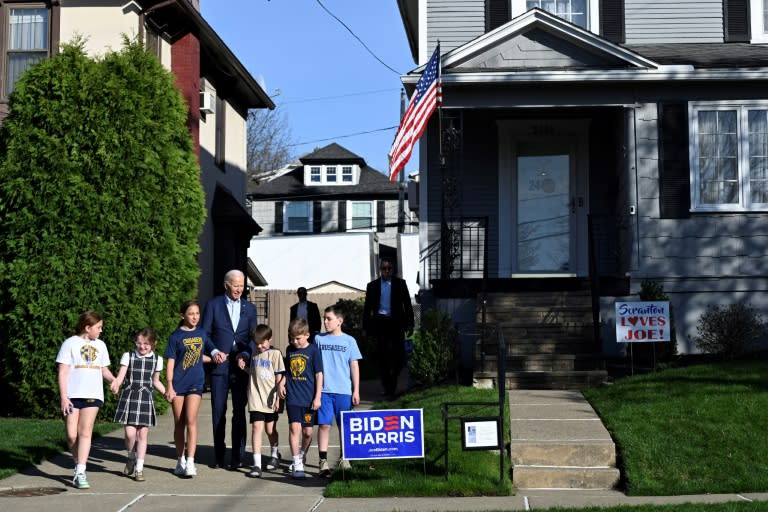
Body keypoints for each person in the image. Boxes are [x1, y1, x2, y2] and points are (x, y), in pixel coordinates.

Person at [202, 269, 258, 470]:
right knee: (219, 411)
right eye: (236, 285)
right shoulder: (213, 305)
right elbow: (204, 333)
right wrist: (214, 350)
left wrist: (245, 354)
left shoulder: (249, 308)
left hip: (240, 367)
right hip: (220, 366)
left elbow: (254, 338)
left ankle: (238, 455)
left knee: (239, 412)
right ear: (226, 285)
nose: (239, 289)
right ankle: (218, 455)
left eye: (242, 285)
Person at [56, 311, 117, 489]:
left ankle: (81, 471)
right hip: (72, 396)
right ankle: (78, 464)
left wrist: (113, 380)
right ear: (87, 327)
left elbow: (104, 370)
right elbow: (63, 371)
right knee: (71, 435)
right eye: (98, 327)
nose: (101, 330)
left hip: (93, 394)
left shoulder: (101, 345)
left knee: (85, 431)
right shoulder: (70, 344)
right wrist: (64, 397)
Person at [110, 327, 166, 482]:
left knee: (142, 434)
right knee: (130, 433)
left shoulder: (157, 359)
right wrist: (116, 384)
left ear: (153, 344)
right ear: (136, 342)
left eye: (146, 344)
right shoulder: (128, 356)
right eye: (140, 343)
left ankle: (139, 469)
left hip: (145, 398)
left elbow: (155, 381)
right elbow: (120, 377)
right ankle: (130, 456)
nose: (142, 347)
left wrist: (166, 392)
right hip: (129, 396)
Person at [165, 300, 211, 478]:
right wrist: (169, 385)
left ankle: (191, 462)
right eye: (191, 313)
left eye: (197, 313)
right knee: (179, 422)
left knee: (191, 419)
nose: (195, 317)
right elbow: (171, 361)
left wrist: (215, 357)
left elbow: (200, 355)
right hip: (178, 384)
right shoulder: (175, 336)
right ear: (182, 315)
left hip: (196, 383)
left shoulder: (202, 333)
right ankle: (180, 459)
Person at [315, 305, 362, 477]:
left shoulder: (349, 341)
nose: (325, 322)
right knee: (324, 425)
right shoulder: (318, 339)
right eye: (324, 319)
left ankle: (345, 458)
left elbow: (354, 365)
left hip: (343, 391)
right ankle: (323, 461)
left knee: (345, 426)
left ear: (339, 321)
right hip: (324, 391)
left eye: (329, 319)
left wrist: (356, 390)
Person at [237, 324, 285, 478]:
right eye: (257, 343)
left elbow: (279, 377)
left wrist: (278, 397)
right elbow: (253, 372)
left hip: (270, 398)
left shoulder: (275, 354)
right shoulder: (254, 354)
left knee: (270, 430)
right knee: (256, 428)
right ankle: (256, 464)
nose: (259, 346)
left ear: (269, 339)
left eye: (262, 343)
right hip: (256, 398)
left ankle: (274, 454)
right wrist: (243, 367)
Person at [363, 257, 415, 398]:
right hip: (380, 323)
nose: (387, 271)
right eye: (384, 269)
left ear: (392, 270)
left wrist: (410, 324)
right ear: (380, 270)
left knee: (399, 356)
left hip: (396, 323)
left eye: (389, 268)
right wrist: (366, 328)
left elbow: (407, 305)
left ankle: (392, 381)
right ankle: (388, 386)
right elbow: (367, 308)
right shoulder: (372, 286)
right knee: (383, 357)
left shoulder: (400, 284)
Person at [279, 317, 323, 479]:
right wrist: (282, 384)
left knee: (307, 432)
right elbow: (288, 372)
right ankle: (297, 462)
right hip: (293, 397)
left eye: (297, 338)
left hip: (309, 399)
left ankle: (302, 453)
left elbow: (319, 375)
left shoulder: (313, 351)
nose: (294, 342)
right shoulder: (290, 350)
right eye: (292, 338)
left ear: (307, 335)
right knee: (294, 429)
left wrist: (317, 397)